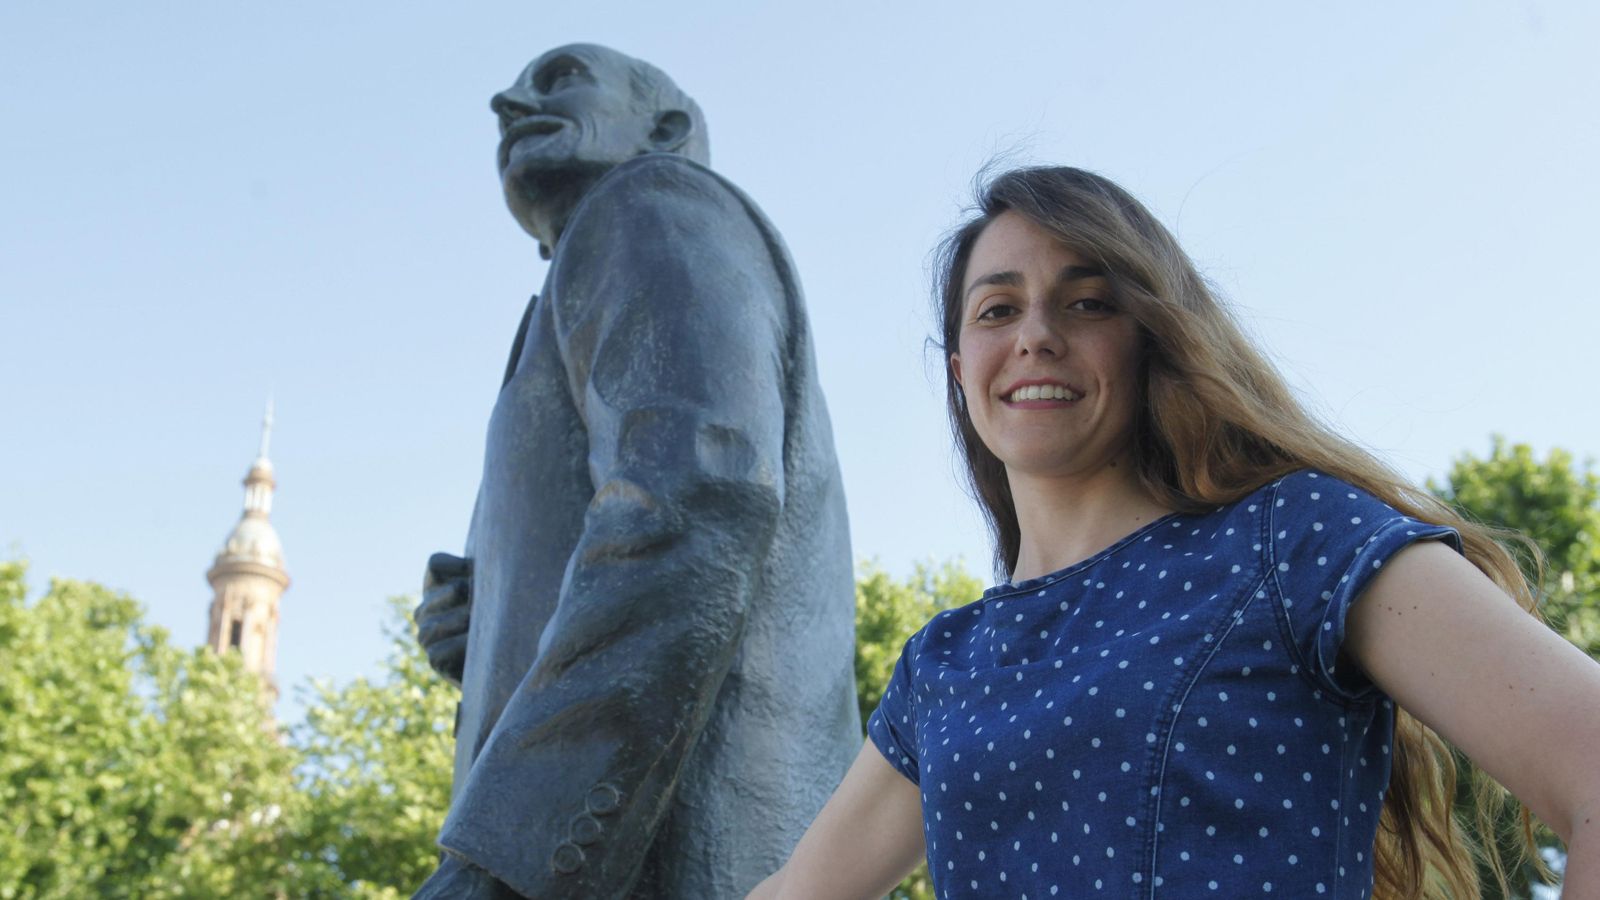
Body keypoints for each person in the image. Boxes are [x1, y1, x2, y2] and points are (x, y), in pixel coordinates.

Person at [748, 166, 1600, 899]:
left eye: (1086, 303)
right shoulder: (945, 665)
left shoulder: (1293, 539)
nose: (1037, 335)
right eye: (997, 310)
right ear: (959, 370)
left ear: (1152, 338)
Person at [412, 44, 859, 899]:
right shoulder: (583, 278)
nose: (510, 102)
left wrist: (509, 859)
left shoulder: (649, 202)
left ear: (666, 128)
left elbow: (695, 495)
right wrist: (492, 613)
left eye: (560, 78)